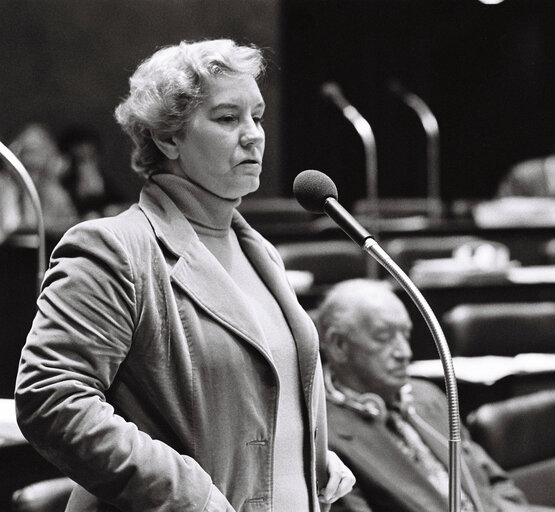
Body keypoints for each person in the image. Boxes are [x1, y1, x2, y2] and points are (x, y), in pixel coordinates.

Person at [14, 39, 355, 511]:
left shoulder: (261, 254)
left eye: (256, 116)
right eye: (227, 118)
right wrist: (188, 494)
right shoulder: (113, 248)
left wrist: (304, 456)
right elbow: (50, 400)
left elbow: (250, 407)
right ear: (167, 137)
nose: (253, 134)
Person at [315, 278, 555, 512]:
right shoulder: (323, 434)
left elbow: (493, 481)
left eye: (406, 335)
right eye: (383, 338)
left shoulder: (425, 394)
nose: (405, 352)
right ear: (339, 345)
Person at [1, 123, 79, 232]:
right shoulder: (6, 186)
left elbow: (71, 223)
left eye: (40, 151)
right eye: (29, 151)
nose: (33, 159)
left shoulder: (54, 190)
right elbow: (10, 226)